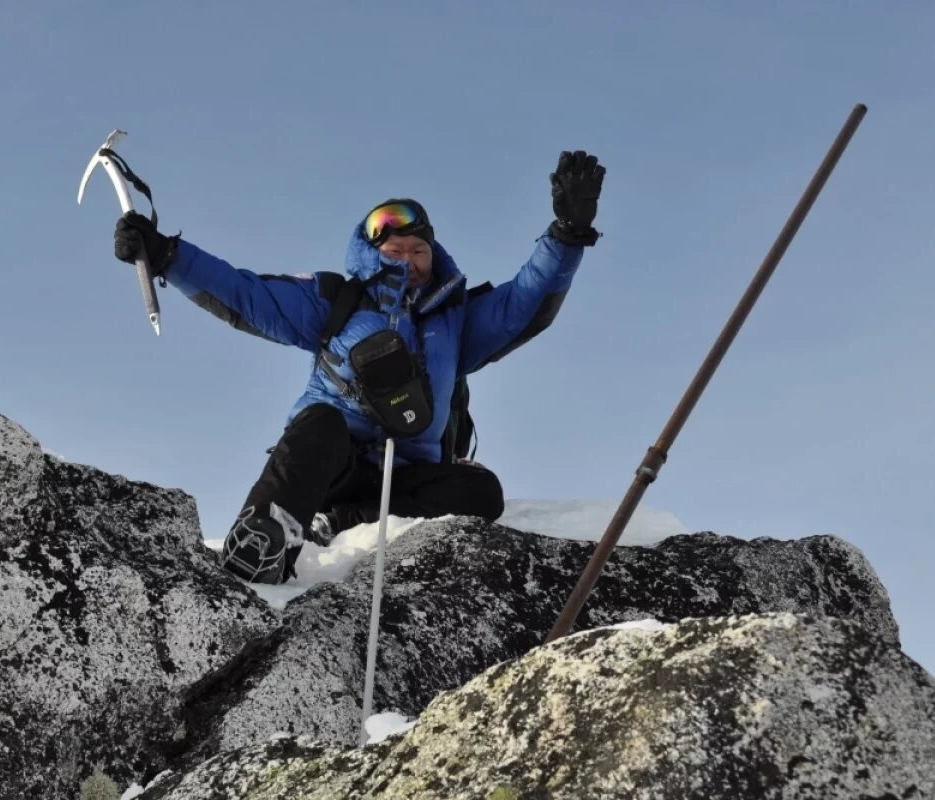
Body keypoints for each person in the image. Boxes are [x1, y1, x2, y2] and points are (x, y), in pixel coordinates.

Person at [113, 151, 606, 584]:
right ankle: (263, 541)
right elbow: (246, 294)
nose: (409, 260)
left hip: (407, 479)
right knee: (319, 424)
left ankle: (349, 521)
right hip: (331, 463)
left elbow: (523, 303)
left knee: (481, 492)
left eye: (419, 250)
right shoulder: (336, 300)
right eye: (396, 251)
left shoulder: (457, 320)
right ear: (373, 254)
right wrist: (165, 254)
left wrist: (567, 236)